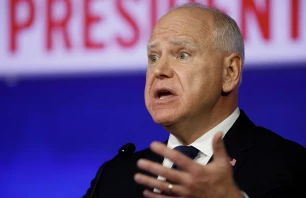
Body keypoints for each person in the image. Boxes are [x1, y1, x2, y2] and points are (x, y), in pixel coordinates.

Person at [83, 2, 306, 198]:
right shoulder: (116, 176)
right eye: (153, 57)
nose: (159, 70)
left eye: (182, 55)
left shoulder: (289, 165)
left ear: (229, 72)